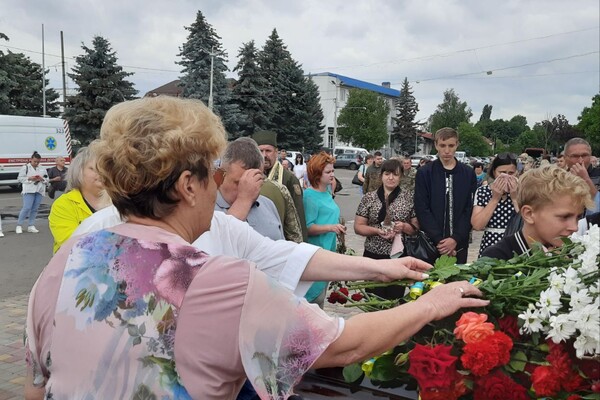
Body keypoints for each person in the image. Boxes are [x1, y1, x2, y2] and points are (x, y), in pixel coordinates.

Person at [25, 96, 488, 400]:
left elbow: (37, 382)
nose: (219, 185)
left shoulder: (69, 259)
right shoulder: (214, 278)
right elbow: (343, 345)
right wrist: (431, 304)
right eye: (212, 172)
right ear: (189, 185)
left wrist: (385, 272)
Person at [481, 165, 593, 260]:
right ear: (529, 214)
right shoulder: (498, 259)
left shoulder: (574, 253)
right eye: (564, 217)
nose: (575, 227)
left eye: (578, 217)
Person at [355, 159, 419, 299]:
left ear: (401, 176)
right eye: (387, 174)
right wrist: (377, 231)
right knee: (373, 299)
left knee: (394, 298)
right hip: (373, 255)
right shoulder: (369, 198)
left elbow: (416, 229)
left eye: (395, 174)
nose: (391, 178)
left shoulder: (409, 198)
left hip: (398, 257)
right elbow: (358, 227)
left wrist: (403, 226)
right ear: (381, 175)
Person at [414, 128, 477, 264]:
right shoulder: (425, 173)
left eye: (451, 145)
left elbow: (469, 209)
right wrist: (440, 241)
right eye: (443, 146)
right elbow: (421, 208)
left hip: (459, 245)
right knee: (430, 283)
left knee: (456, 283)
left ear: (457, 144)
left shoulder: (468, 173)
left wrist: (456, 238)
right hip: (431, 244)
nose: (447, 151)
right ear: (436, 145)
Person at [216, 137, 284, 241]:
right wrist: (243, 201)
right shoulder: (205, 208)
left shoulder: (268, 205)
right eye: (238, 183)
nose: (247, 188)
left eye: (254, 181)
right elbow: (215, 244)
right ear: (221, 174)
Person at [48, 146, 110, 253]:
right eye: (94, 168)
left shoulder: (120, 202)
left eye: (105, 169)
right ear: (79, 171)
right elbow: (72, 244)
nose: (102, 173)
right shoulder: (63, 205)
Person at [303, 152, 345, 307]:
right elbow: (307, 227)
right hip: (316, 253)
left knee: (321, 298)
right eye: (328, 172)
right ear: (316, 174)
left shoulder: (327, 192)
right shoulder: (309, 196)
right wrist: (330, 227)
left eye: (333, 171)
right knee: (314, 299)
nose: (332, 175)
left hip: (328, 249)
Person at [252, 130, 307, 240]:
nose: (264, 155)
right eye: (260, 150)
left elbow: (299, 217)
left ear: (276, 152)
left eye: (268, 151)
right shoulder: (249, 177)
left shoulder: (289, 179)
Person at [471, 153, 519, 256]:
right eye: (502, 173)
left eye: (511, 173)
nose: (507, 176)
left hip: (515, 243)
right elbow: (477, 225)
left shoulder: (523, 191)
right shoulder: (483, 191)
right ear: (494, 172)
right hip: (491, 244)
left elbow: (527, 222)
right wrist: (495, 198)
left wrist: (515, 198)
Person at [563, 137, 599, 215]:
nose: (580, 161)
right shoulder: (559, 179)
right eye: (575, 156)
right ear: (565, 158)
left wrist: (586, 179)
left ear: (590, 156)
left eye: (585, 155)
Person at [16, 151, 48, 234]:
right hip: (29, 190)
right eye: (35, 161)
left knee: (35, 208)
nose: (36, 163)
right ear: (31, 160)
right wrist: (30, 178)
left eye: (38, 162)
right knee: (27, 207)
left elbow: (47, 179)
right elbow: (20, 178)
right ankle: (19, 225)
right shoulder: (25, 167)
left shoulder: (42, 168)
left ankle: (31, 225)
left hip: (39, 190)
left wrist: (42, 179)